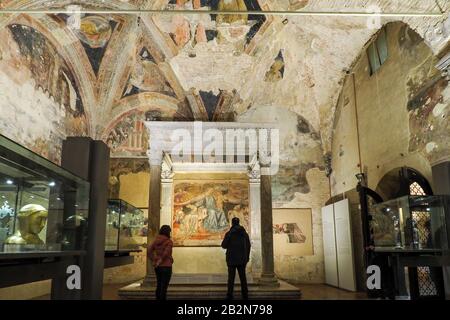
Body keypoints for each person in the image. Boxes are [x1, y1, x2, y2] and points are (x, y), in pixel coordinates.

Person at [221, 217, 251, 300]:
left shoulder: (229, 233)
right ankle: (245, 295)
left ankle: (229, 295)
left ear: (232, 223)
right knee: (243, 278)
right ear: (239, 223)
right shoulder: (245, 234)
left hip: (231, 259)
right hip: (242, 259)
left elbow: (223, 245)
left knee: (231, 278)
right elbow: (248, 246)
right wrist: (247, 257)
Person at [148, 225, 173, 300]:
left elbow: (149, 250)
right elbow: (166, 253)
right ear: (168, 232)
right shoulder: (169, 241)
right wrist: (161, 259)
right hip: (166, 266)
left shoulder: (156, 240)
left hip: (158, 266)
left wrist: (154, 259)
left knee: (159, 284)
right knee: (164, 287)